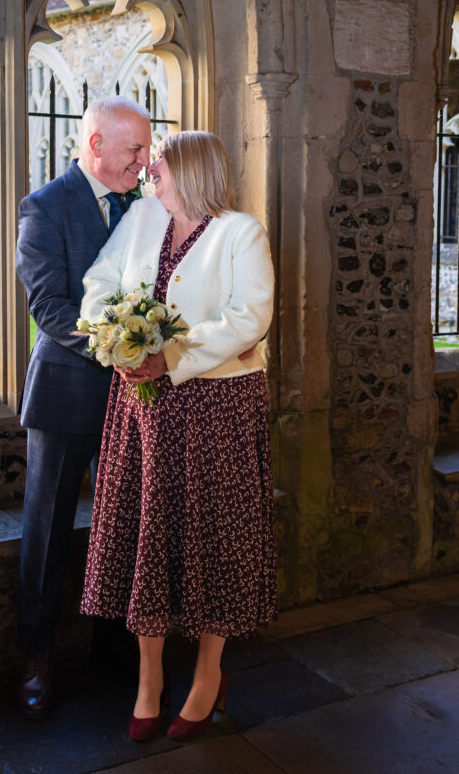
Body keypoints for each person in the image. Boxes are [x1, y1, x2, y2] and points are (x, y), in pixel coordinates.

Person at [79, 129, 277, 742]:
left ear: (190, 173)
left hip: (217, 406)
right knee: (147, 537)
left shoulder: (240, 232)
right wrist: (114, 340)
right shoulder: (140, 219)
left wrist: (174, 356)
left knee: (214, 538)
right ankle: (148, 682)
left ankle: (207, 676)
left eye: (157, 168)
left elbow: (250, 315)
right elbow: (98, 283)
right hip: (141, 407)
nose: (148, 177)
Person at [15, 97, 152, 719]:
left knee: (124, 522)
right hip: (68, 391)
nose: (144, 162)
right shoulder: (44, 207)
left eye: (147, 150)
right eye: (134, 151)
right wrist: (120, 348)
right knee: (46, 529)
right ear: (96, 145)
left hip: (135, 398)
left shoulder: (147, 205)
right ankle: (37, 656)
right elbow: (49, 307)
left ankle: (116, 648)